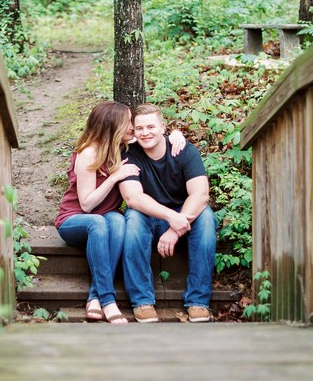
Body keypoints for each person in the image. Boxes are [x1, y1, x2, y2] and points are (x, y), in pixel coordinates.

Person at [55, 101, 186, 324]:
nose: (133, 128)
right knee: (98, 222)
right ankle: (107, 299)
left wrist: (175, 134)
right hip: (75, 219)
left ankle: (94, 296)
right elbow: (87, 205)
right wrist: (115, 176)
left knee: (117, 220)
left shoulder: (123, 146)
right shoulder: (88, 153)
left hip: (108, 218)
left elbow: (155, 135)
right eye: (128, 123)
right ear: (113, 125)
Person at [119, 103, 217, 323]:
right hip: (150, 218)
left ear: (163, 126)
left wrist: (175, 227)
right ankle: (142, 300)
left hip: (184, 218)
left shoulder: (184, 150)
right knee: (133, 217)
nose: (145, 133)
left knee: (207, 216)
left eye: (151, 127)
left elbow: (200, 194)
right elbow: (133, 197)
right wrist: (170, 217)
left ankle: (198, 301)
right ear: (133, 130)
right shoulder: (129, 154)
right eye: (140, 128)